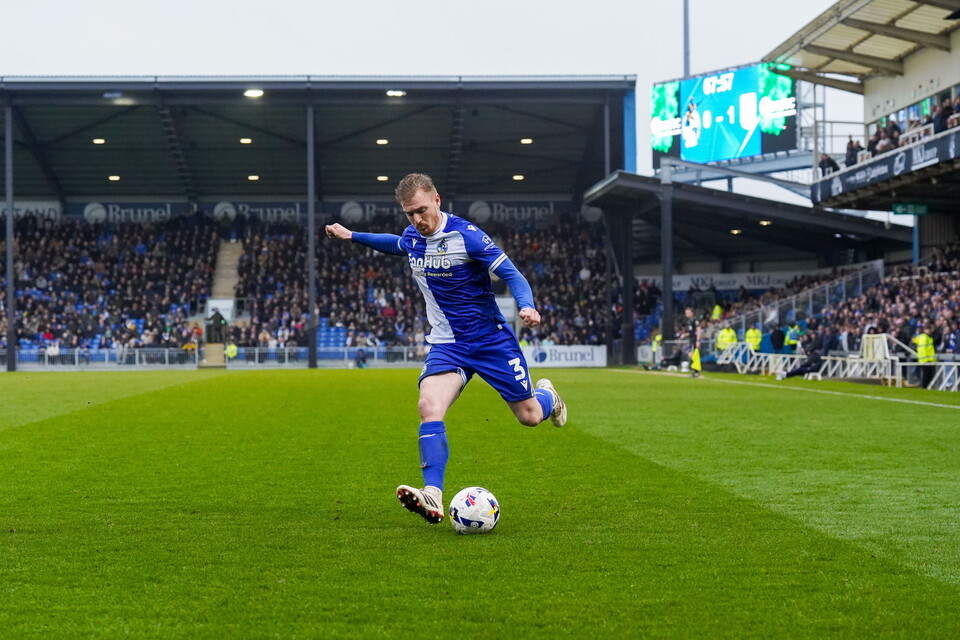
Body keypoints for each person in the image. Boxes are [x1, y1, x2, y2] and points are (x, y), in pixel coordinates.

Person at [325, 173, 567, 526]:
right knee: (428, 406)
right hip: (447, 345)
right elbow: (395, 244)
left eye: (422, 210)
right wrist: (352, 236)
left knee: (529, 416)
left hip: (490, 341)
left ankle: (548, 396)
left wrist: (526, 305)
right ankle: (432, 494)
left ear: (437, 200)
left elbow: (513, 274)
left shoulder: (467, 237)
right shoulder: (412, 237)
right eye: (410, 214)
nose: (417, 220)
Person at [680, 307, 702, 377]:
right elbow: (691, 332)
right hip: (691, 339)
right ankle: (695, 370)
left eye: (688, 312)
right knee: (691, 354)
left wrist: (698, 340)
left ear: (692, 313)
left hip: (694, 340)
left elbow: (699, 330)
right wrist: (685, 335)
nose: (686, 314)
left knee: (693, 354)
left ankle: (696, 371)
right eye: (686, 313)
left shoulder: (695, 320)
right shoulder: (689, 321)